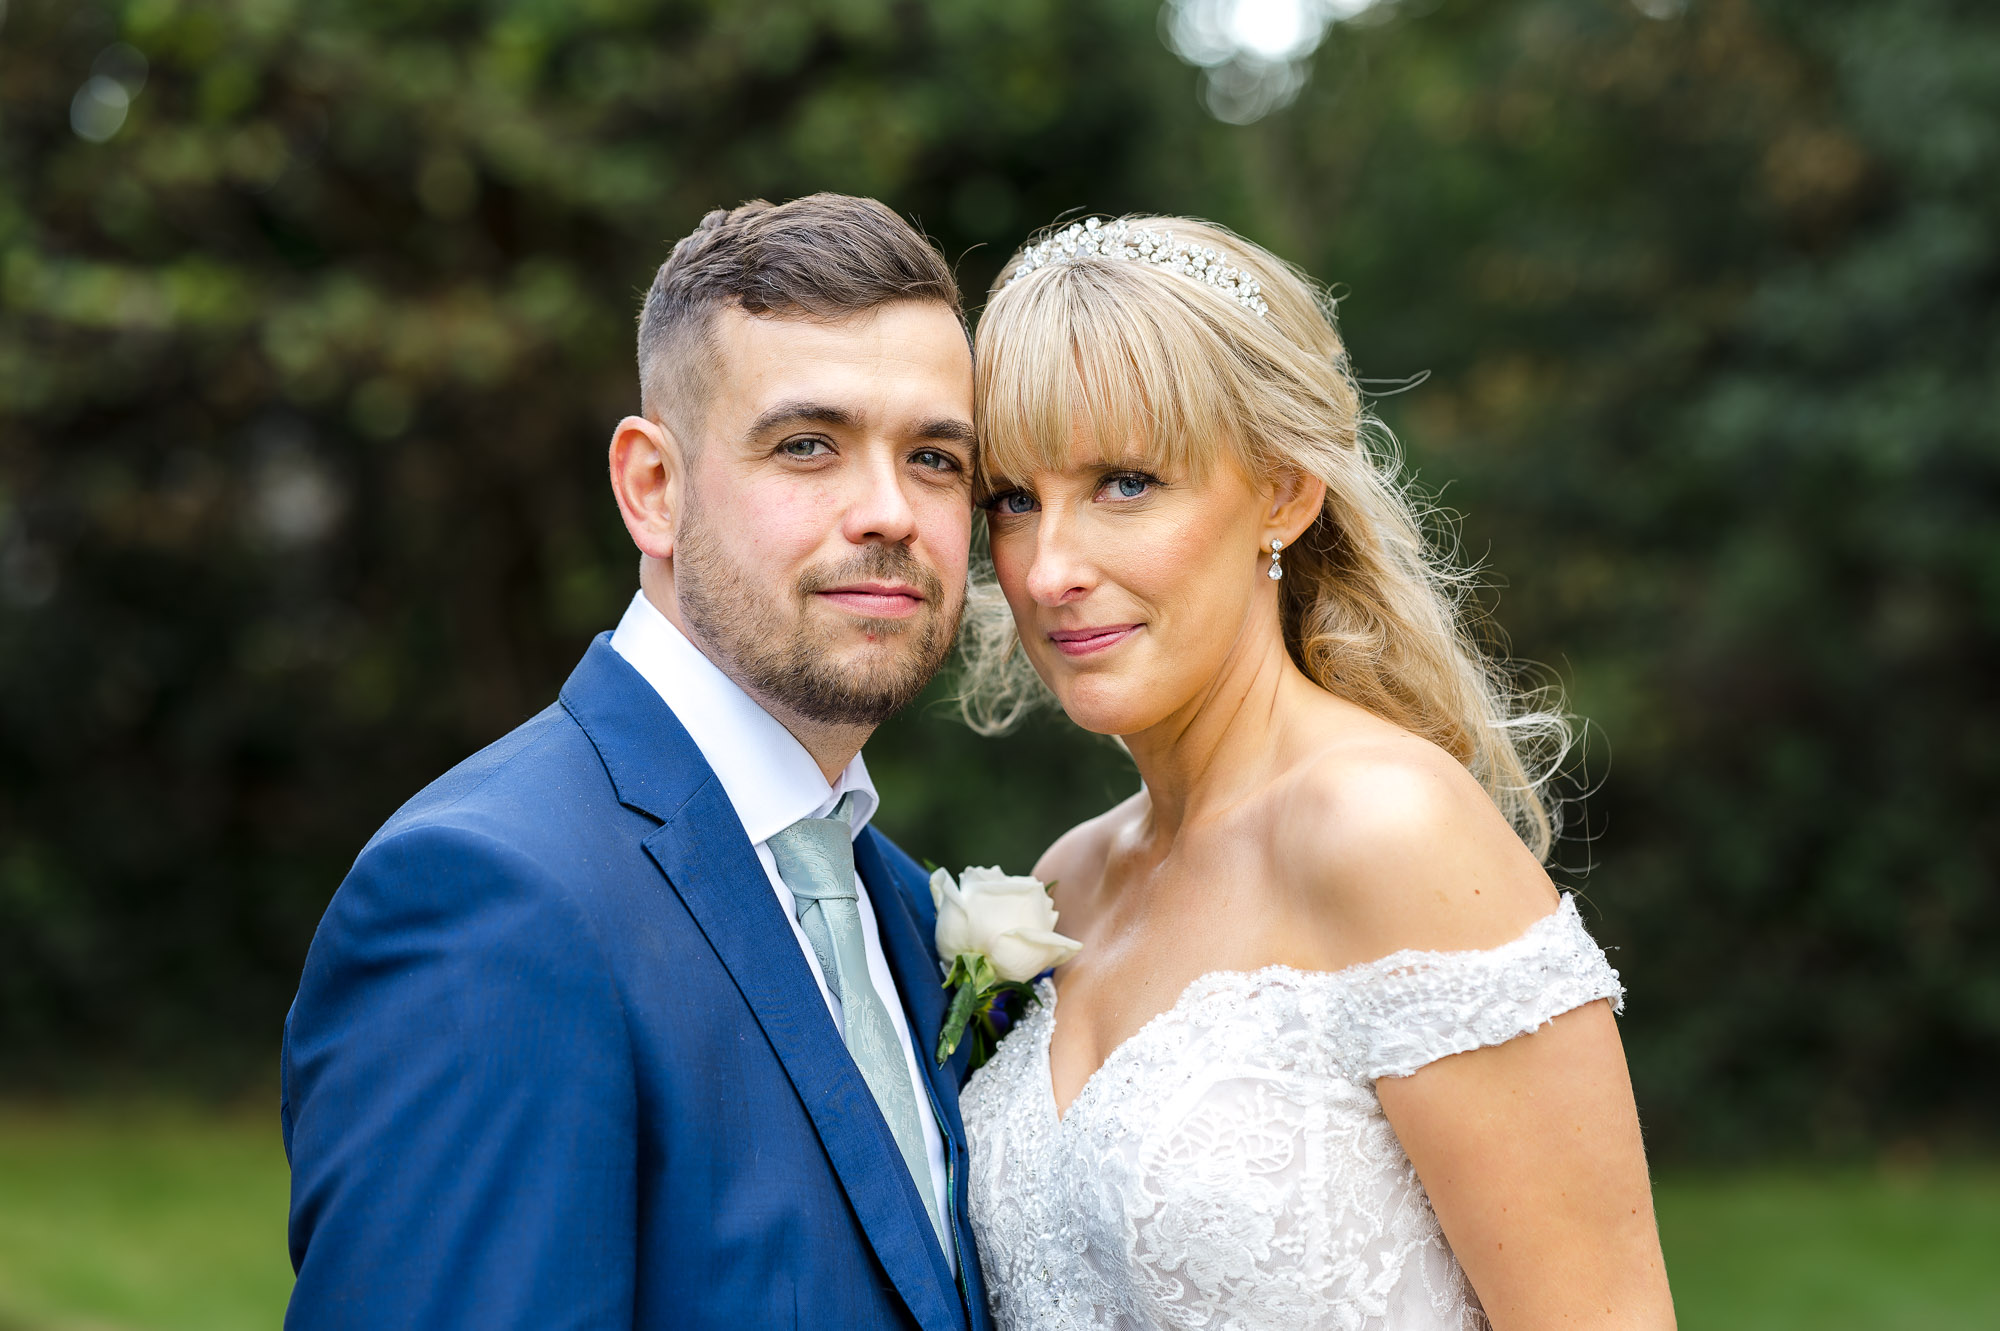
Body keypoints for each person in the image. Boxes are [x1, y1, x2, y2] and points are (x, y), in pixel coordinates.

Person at [281, 194, 992, 1331]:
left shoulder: (903, 910)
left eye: (936, 457)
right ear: (651, 488)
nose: (888, 511)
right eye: (807, 444)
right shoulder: (492, 902)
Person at [956, 216, 1676, 1330]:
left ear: (1284, 493)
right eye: (1012, 497)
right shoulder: (1070, 883)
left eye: (1126, 483)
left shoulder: (1387, 828)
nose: (1049, 569)